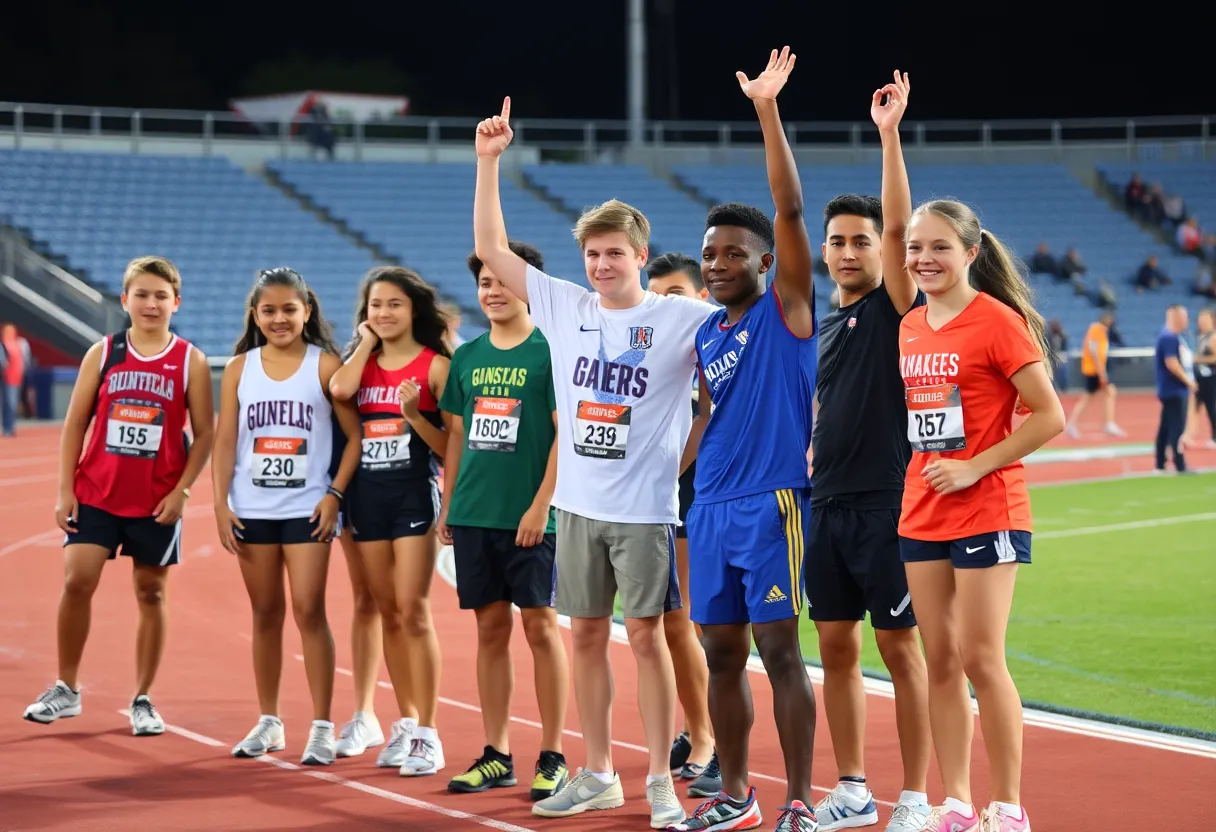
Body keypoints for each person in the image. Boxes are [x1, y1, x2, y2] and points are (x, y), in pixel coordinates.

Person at [474, 95, 714, 829]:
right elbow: (493, 250)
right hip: (577, 505)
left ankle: (662, 786)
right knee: (583, 635)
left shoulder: (680, 319)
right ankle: (599, 771)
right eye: (594, 253)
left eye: (616, 252)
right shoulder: (565, 306)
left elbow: (737, 364)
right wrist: (489, 163)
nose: (603, 263)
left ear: (642, 256)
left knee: (646, 639)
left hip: (643, 511)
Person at [675, 47, 820, 832]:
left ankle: (799, 799)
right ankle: (736, 794)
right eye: (709, 254)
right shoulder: (706, 334)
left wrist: (767, 109)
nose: (719, 262)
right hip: (711, 509)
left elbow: (791, 211)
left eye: (735, 252)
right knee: (721, 658)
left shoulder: (787, 311)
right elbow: (700, 415)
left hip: (771, 506)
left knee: (780, 653)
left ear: (767, 261)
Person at [897, 199, 1066, 832]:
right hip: (922, 507)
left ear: (971, 253)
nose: (924, 259)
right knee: (938, 658)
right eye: (916, 248)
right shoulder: (910, 324)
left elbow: (1049, 416)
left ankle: (1009, 808)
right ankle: (958, 804)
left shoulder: (997, 322)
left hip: (988, 507)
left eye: (940, 247)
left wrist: (974, 466)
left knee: (980, 657)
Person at [807, 72, 933, 832]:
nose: (851, 250)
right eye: (839, 240)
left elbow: (897, 232)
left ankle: (914, 795)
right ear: (824, 252)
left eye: (862, 239)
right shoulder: (825, 326)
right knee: (837, 654)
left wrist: (889, 135)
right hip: (826, 509)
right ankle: (852, 788)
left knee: (902, 653)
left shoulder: (895, 309)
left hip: (890, 504)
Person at [24, 256, 215, 736]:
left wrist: (182, 491)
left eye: (161, 296)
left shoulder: (189, 359)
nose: (151, 304)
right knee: (77, 580)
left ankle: (143, 698)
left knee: (151, 592)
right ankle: (66, 688)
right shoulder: (104, 352)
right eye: (142, 295)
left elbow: (206, 434)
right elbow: (75, 423)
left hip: (156, 500)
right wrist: (65, 489)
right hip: (96, 492)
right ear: (125, 299)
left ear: (177, 302)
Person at [437, 240, 571, 801]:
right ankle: (496, 753)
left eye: (502, 282)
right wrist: (449, 501)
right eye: (484, 283)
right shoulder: (466, 358)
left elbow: (566, 436)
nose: (492, 292)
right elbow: (458, 438)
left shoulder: (551, 351)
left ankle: (554, 754)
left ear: (528, 285)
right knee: (489, 631)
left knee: (541, 628)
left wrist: (541, 504)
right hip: (474, 514)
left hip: (532, 519)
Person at [214, 267, 360, 766]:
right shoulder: (239, 368)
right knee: (265, 614)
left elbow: (355, 437)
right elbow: (226, 441)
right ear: (255, 315)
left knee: (309, 610)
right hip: (251, 510)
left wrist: (334, 494)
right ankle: (269, 721)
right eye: (269, 310)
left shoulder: (325, 366)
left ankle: (321, 726)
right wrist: (219, 503)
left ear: (307, 311)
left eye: (289, 309)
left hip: (306, 510)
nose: (279, 319)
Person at [329, 266, 451, 775]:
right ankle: (405, 721)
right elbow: (340, 390)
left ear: (414, 309)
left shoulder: (436, 367)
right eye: (375, 305)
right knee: (388, 612)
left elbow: (451, 447)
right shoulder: (362, 363)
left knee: (414, 611)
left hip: (413, 500)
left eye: (394, 304)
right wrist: (362, 344)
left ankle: (429, 732)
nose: (383, 313)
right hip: (366, 501)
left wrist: (416, 416)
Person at [644, 253, 718, 795]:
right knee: (672, 623)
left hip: (697, 490)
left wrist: (671, 470)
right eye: (656, 293)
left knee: (686, 620)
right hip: (657, 491)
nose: (662, 301)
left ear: (700, 295)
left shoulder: (713, 338)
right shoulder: (652, 340)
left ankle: (707, 738)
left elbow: (706, 414)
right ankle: (697, 728)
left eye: (674, 292)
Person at [1063, 312, 1124, 438]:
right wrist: (1101, 373)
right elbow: (1094, 351)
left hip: (1094, 370)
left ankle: (1106, 423)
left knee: (1104, 393)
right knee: (1101, 394)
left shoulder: (1101, 331)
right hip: (1094, 371)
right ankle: (1107, 424)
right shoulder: (1097, 330)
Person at [1153, 305, 1198, 473]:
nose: (1187, 321)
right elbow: (1172, 363)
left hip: (1168, 389)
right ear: (1177, 317)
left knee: (1165, 426)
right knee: (1176, 427)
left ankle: (1160, 462)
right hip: (1174, 389)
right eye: (1185, 317)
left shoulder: (1168, 336)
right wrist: (1189, 382)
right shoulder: (1169, 337)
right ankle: (1179, 464)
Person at [1183, 307, 1216, 448]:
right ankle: (1188, 435)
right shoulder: (1200, 337)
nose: (1201, 322)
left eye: (1205, 319)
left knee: (1212, 409)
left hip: (1212, 379)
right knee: (1193, 407)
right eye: (1200, 319)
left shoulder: (1213, 338)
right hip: (1200, 379)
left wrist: (1198, 359)